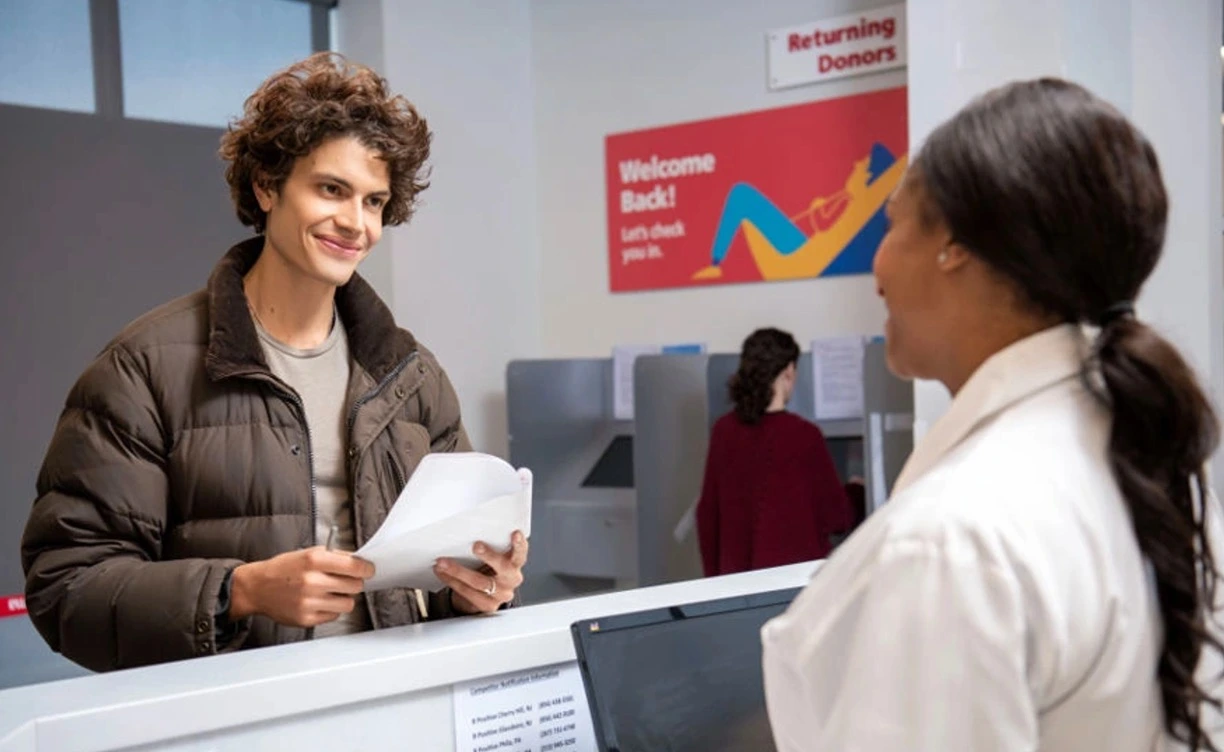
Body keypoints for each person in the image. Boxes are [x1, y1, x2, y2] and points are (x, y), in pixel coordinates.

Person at [20, 53, 528, 672]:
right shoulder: (142, 370)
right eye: (331, 190)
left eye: (374, 201)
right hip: (237, 721)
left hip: (394, 703)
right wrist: (243, 591)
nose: (355, 223)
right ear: (267, 186)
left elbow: (448, 574)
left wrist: (476, 592)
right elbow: (66, 588)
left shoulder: (411, 374)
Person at [762, 79, 1224, 751]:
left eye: (890, 224)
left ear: (955, 243)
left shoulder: (951, 541)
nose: (876, 266)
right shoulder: (1153, 468)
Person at [696, 328, 854, 576]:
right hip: (794, 588)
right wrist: (856, 491)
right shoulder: (805, 435)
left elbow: (707, 516)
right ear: (789, 372)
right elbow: (836, 518)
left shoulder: (723, 432)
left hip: (736, 589)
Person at [691, 143, 905, 282]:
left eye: (862, 164)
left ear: (869, 177)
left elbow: (825, 225)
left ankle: (715, 263)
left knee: (742, 196)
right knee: (741, 197)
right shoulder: (850, 201)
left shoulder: (861, 205)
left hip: (801, 256)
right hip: (804, 250)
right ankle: (715, 263)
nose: (855, 164)